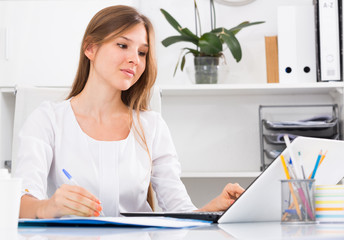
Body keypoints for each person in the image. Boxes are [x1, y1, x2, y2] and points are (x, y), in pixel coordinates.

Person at [13, 5, 244, 219]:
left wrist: (211, 210)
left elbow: (180, 211)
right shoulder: (47, 120)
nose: (134, 59)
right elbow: (20, 204)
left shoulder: (151, 126)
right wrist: (49, 206)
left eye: (142, 53)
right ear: (90, 48)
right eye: (122, 45)